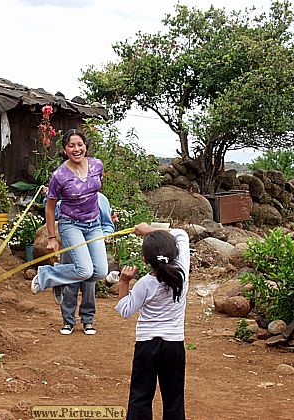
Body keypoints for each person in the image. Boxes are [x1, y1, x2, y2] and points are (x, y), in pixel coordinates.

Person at [31, 128, 108, 335]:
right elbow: (49, 207)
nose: (76, 149)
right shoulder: (59, 175)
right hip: (70, 225)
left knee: (99, 271)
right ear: (65, 149)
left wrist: (106, 223)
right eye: (71, 145)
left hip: (94, 225)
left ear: (85, 146)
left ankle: (59, 279)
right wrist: (52, 237)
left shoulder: (97, 165)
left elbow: (97, 194)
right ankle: (47, 275)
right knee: (84, 271)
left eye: (80, 144)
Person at [115, 222, 190, 420]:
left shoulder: (144, 284)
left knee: (140, 397)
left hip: (146, 346)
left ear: (145, 259)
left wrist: (124, 282)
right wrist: (149, 230)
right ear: (174, 253)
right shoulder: (181, 273)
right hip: (174, 345)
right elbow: (181, 234)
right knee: (174, 399)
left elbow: (124, 310)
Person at [41, 190, 115, 335]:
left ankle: (88, 320)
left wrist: (105, 235)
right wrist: (48, 196)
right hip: (71, 245)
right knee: (71, 284)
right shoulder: (70, 197)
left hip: (92, 246)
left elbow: (107, 224)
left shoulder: (101, 199)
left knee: (89, 283)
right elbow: (54, 211)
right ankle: (68, 321)